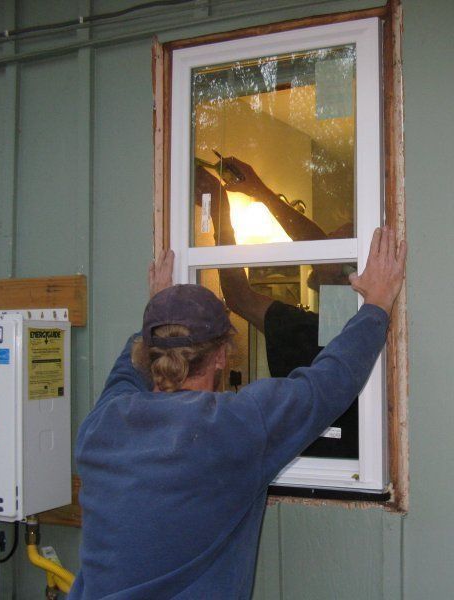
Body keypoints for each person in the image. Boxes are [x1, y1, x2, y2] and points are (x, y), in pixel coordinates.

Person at [69, 226, 406, 599]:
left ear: (147, 352)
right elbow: (327, 384)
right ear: (221, 356)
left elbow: (126, 371)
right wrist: (376, 306)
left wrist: (161, 311)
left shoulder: (101, 423)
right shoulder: (231, 427)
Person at [196, 157, 359, 457]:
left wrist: (220, 210)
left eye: (332, 242)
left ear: (346, 273)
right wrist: (260, 191)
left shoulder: (306, 332)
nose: (316, 250)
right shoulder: (353, 333)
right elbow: (321, 250)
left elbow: (238, 295)